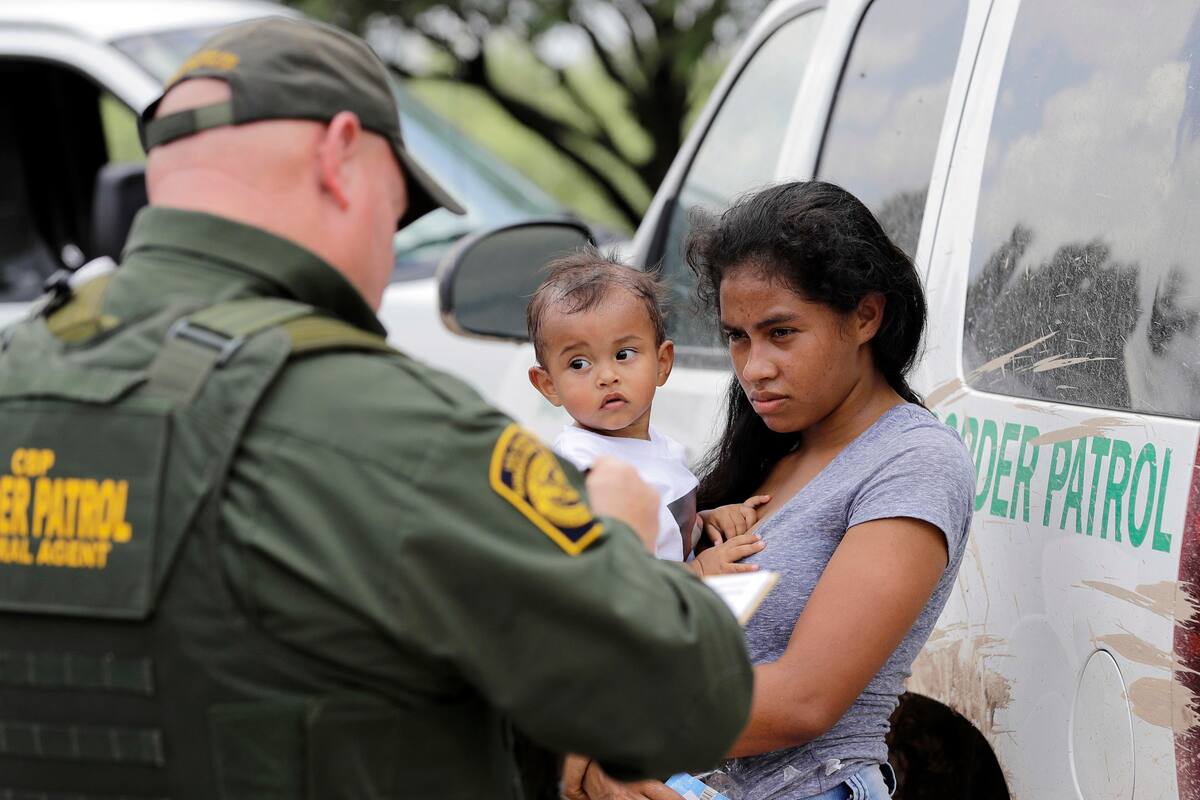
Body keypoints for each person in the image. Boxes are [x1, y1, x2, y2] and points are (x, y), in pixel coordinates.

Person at [0, 17, 754, 800]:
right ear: (339, 156)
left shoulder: (17, 373)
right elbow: (692, 700)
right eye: (395, 212)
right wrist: (620, 548)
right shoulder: (390, 425)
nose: (388, 255)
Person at [570, 182, 974, 800]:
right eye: (738, 336)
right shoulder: (763, 454)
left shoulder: (912, 461)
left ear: (866, 315)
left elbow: (803, 700)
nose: (754, 367)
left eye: (781, 332)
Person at [525, 249, 769, 576]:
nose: (606, 376)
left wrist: (704, 522)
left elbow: (661, 532)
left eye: (623, 354)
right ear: (548, 384)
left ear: (662, 363)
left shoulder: (658, 447)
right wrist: (698, 570)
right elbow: (615, 576)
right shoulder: (583, 470)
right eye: (579, 363)